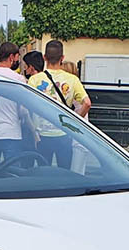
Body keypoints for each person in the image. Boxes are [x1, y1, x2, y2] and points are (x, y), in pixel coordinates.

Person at [27, 40, 91, 169]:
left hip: (42, 135)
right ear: (62, 58)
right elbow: (87, 103)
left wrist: (33, 130)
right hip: (64, 133)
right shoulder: (72, 79)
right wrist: (74, 122)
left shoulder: (35, 79)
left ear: (44, 57)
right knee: (64, 172)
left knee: (43, 172)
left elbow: (27, 107)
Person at [0, 42, 33, 162]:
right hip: (11, 133)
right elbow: (23, 110)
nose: (18, 61)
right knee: (13, 173)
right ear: (12, 57)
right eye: (17, 58)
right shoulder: (17, 79)